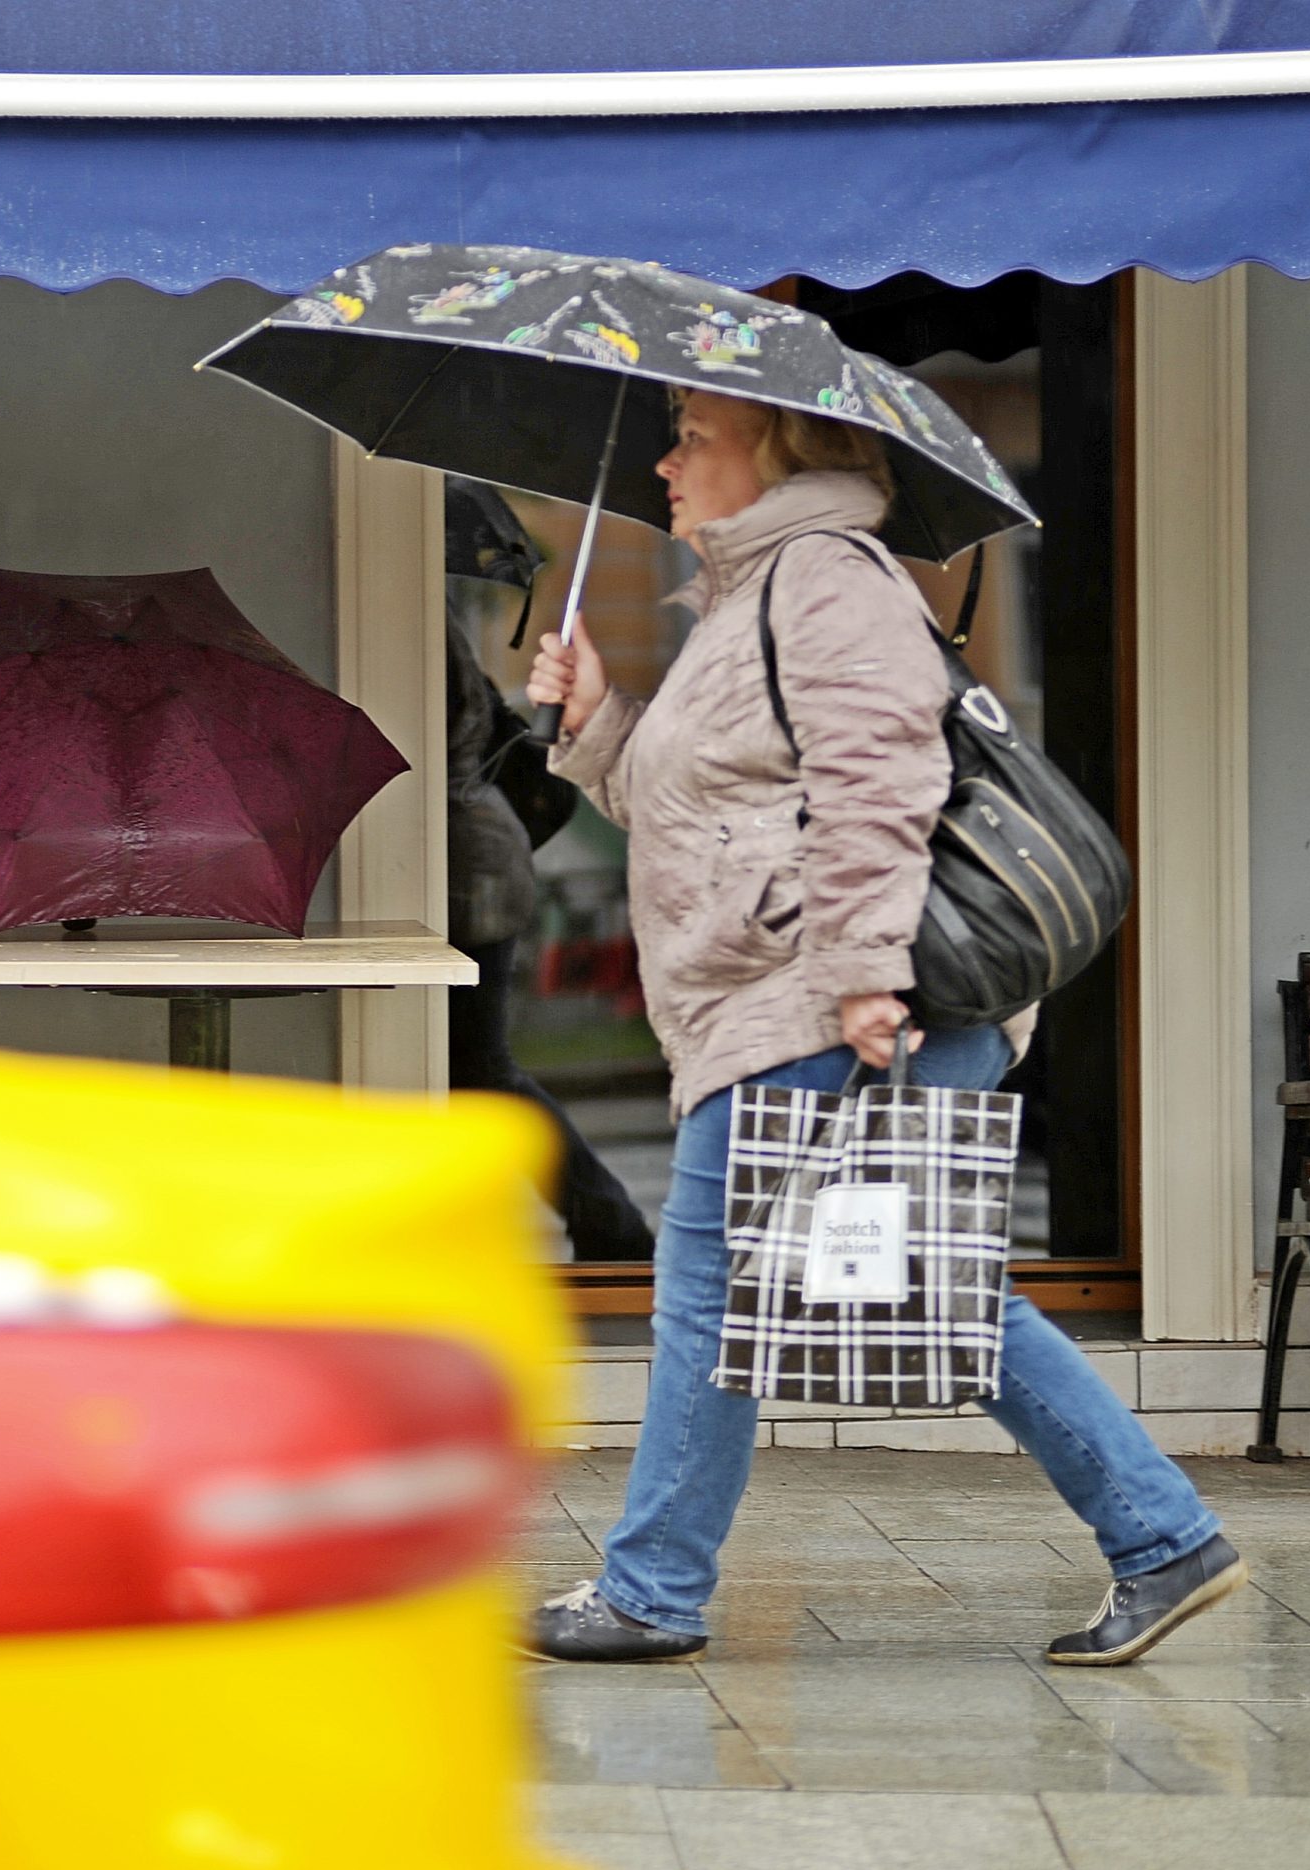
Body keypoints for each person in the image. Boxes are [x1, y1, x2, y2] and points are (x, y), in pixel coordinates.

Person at [521, 388, 1240, 1667]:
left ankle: (652, 1589)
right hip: (786, 997)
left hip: (813, 1004)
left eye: (692, 434)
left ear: (776, 450)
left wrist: (861, 980)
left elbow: (879, 782)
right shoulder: (747, 598)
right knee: (923, 1289)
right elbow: (716, 815)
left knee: (709, 1302)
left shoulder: (824, 580)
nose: (664, 460)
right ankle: (1158, 1535)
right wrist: (598, 727)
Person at [443, 483, 655, 1263]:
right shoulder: (425, 624)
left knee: (478, 1069)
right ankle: (604, 1228)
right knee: (471, 1073)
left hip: (469, 872)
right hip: (477, 863)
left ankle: (613, 1230)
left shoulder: (406, 628)